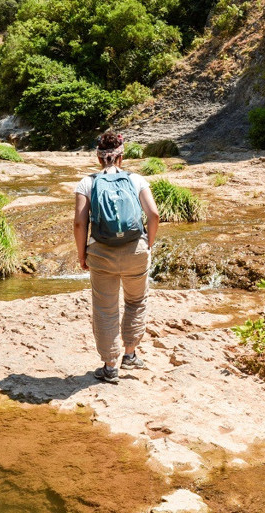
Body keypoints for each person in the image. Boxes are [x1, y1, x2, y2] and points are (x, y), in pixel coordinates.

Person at [73, 132, 160, 384]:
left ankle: (110, 366)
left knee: (105, 309)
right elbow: (153, 215)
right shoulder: (136, 179)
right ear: (122, 156)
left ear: (98, 157)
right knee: (136, 301)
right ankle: (130, 354)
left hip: (101, 253)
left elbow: (79, 223)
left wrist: (82, 255)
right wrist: (148, 244)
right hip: (136, 250)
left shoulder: (87, 183)